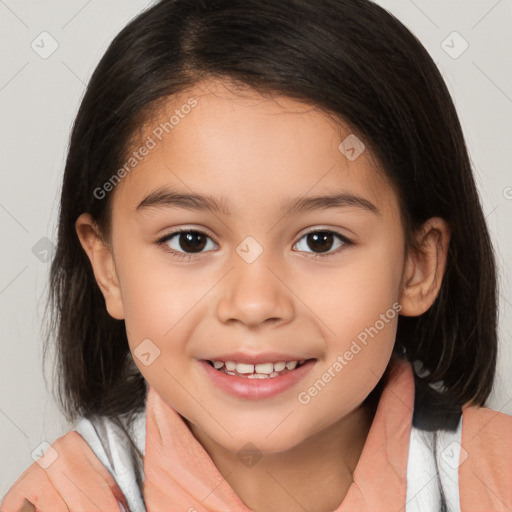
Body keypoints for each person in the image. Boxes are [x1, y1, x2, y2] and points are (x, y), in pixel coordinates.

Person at [2, 0, 511, 510]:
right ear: (108, 267)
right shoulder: (60, 500)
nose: (253, 303)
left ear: (416, 266)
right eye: (190, 240)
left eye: (320, 240)